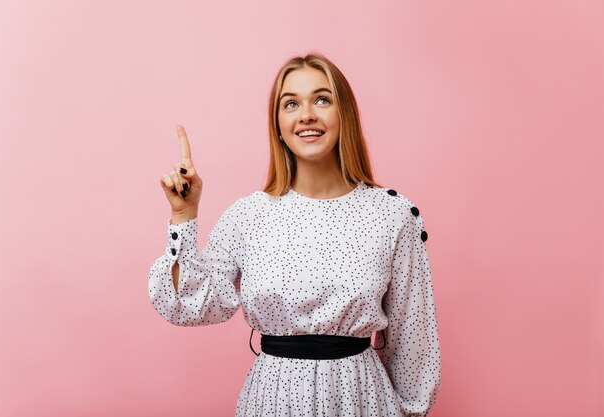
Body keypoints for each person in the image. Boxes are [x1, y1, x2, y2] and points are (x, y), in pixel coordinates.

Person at [148, 52, 442, 417]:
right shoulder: (248, 215)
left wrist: (410, 411)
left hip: (361, 400)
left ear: (344, 114)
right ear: (278, 124)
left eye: (322, 99)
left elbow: (413, 337)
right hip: (273, 399)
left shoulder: (393, 214)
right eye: (291, 103)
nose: (306, 114)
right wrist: (183, 214)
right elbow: (188, 305)